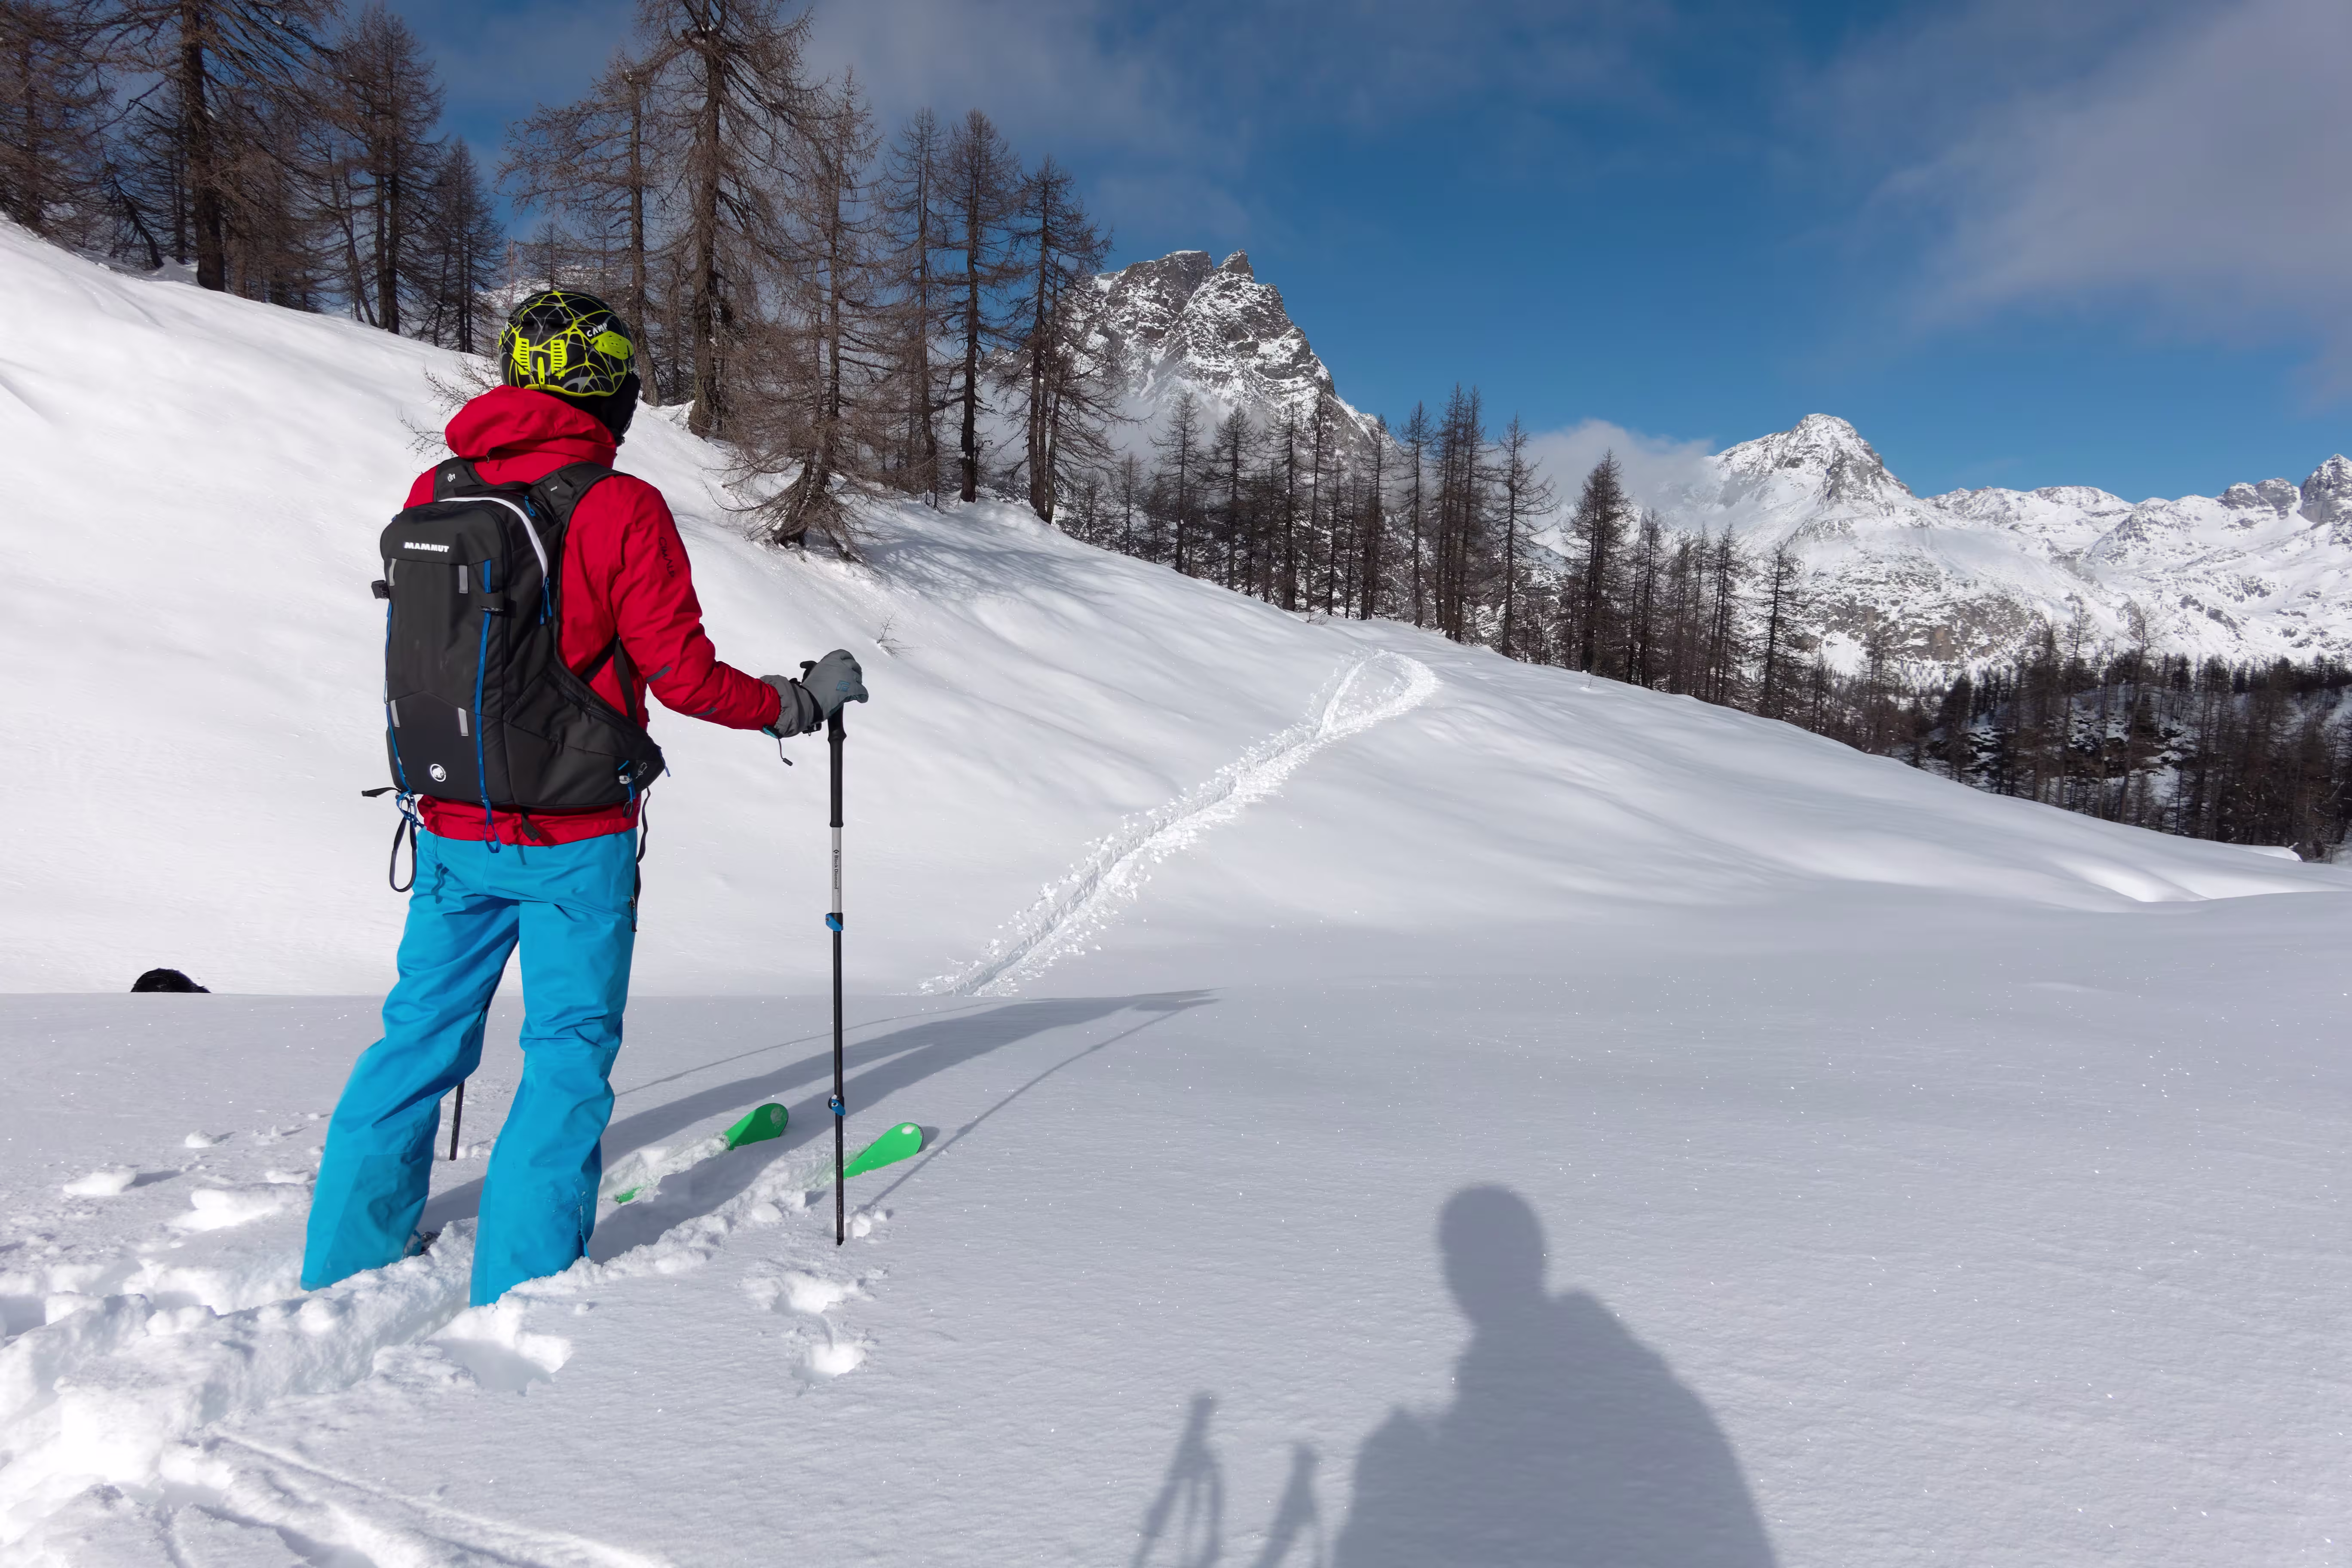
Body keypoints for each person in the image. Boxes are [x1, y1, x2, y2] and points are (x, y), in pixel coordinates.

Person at [302, 289, 866, 1307]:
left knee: (420, 1033)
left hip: (446, 821)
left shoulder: (437, 487)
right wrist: (795, 704)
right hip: (573, 834)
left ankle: (346, 1255)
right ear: (610, 390)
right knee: (565, 1052)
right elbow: (684, 677)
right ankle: (519, 1286)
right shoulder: (617, 506)